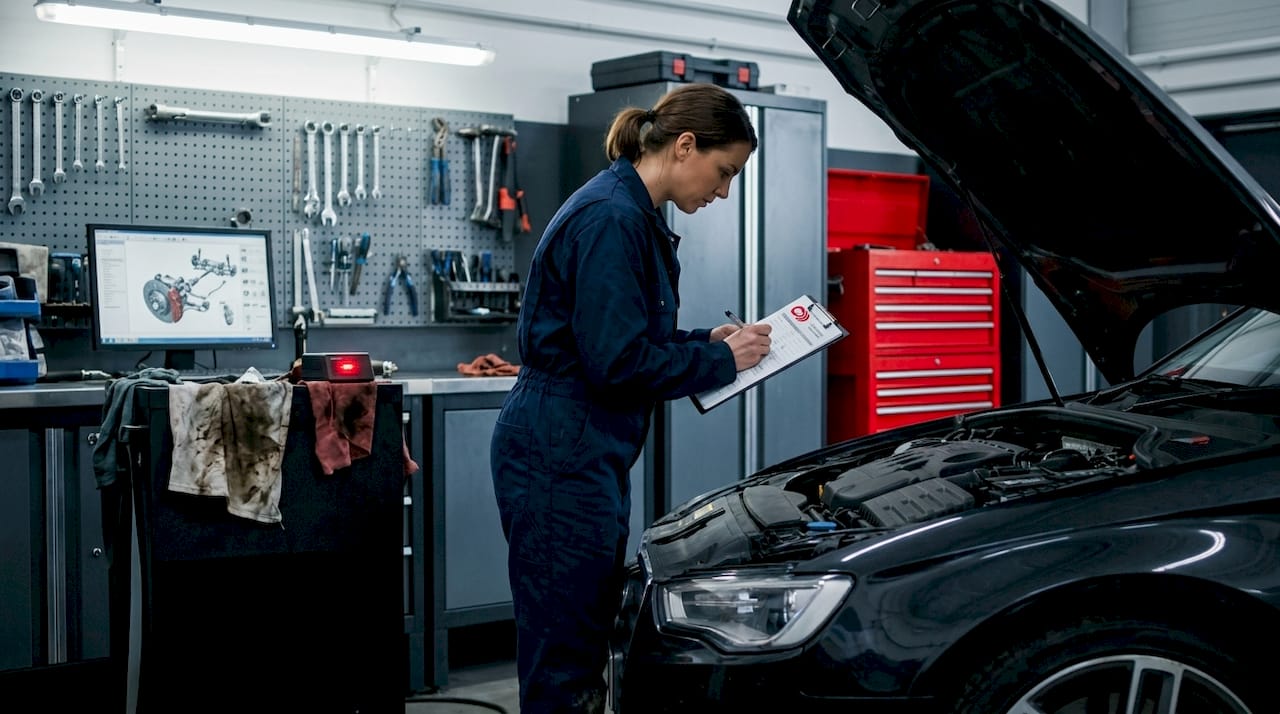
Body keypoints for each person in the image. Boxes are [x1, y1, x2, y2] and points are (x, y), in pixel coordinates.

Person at [490, 82, 772, 713]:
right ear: (685, 145)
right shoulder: (613, 217)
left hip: (579, 446)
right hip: (561, 448)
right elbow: (618, 365)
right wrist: (720, 360)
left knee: (581, 640)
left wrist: (706, 339)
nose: (723, 191)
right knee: (565, 658)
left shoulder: (631, 211)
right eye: (724, 173)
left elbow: (624, 336)